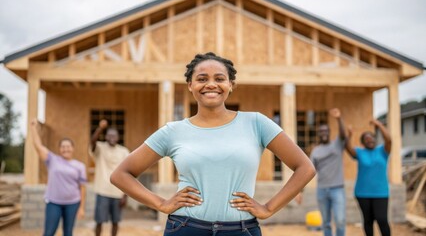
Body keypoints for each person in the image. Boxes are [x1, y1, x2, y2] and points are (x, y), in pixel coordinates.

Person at [110, 52, 316, 236]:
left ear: (231, 85)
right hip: (186, 228)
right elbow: (121, 175)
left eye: (219, 78)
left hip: (241, 230)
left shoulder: (256, 123)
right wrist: (161, 203)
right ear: (190, 85)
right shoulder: (173, 131)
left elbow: (305, 168)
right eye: (202, 79)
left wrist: (269, 208)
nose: (211, 84)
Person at [30, 118, 86, 236]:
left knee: (68, 232)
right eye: (63, 147)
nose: (66, 149)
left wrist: (81, 207)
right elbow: (38, 146)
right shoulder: (52, 160)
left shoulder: (80, 166)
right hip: (53, 202)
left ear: (73, 148)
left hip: (73, 203)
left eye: (68, 146)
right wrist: (33, 128)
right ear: (60, 149)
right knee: (49, 232)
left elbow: (82, 188)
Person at [345, 119, 392, 236]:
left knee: (382, 220)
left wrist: (380, 125)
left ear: (375, 140)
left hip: (381, 193)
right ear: (363, 143)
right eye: (366, 138)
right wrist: (349, 135)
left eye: (371, 137)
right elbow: (347, 147)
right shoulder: (360, 152)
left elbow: (389, 140)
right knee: (368, 221)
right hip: (362, 193)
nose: (369, 139)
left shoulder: (383, 151)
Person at [308, 108, 347, 236]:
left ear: (329, 132)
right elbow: (309, 171)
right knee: (326, 222)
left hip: (337, 189)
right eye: (321, 131)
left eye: (326, 130)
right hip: (322, 190)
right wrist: (299, 191)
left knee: (340, 221)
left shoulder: (337, 144)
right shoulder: (316, 151)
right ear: (319, 134)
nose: (323, 133)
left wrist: (338, 118)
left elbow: (343, 134)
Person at [90, 120, 129, 236]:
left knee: (115, 222)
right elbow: (92, 142)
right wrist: (99, 129)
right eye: (109, 135)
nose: (112, 137)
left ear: (118, 137)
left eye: (114, 135)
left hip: (118, 193)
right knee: (99, 221)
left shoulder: (124, 151)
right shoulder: (100, 148)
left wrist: (125, 194)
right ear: (106, 136)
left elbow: (128, 173)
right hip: (102, 191)